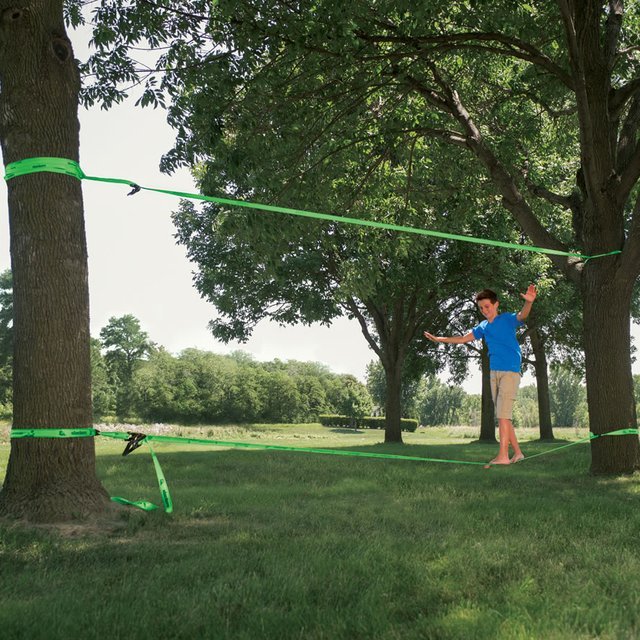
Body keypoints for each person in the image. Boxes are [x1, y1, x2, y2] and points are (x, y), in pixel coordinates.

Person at [424, 285, 537, 465]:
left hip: (510, 370)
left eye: (487, 306)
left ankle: (503, 457)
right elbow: (462, 339)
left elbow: (522, 315)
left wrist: (528, 302)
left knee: (502, 414)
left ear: (496, 305)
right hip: (494, 372)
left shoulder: (507, 319)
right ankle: (517, 453)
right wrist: (439, 339)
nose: (484, 310)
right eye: (481, 308)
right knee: (503, 414)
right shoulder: (483, 326)